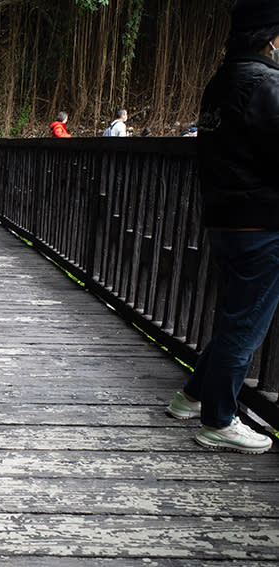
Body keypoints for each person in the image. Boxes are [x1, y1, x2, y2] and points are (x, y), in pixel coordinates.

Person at [165, 0, 279, 454]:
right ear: (269, 36)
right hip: (262, 225)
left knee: (236, 318)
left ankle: (191, 396)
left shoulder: (220, 82)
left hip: (225, 222)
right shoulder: (267, 84)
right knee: (245, 326)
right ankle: (220, 419)